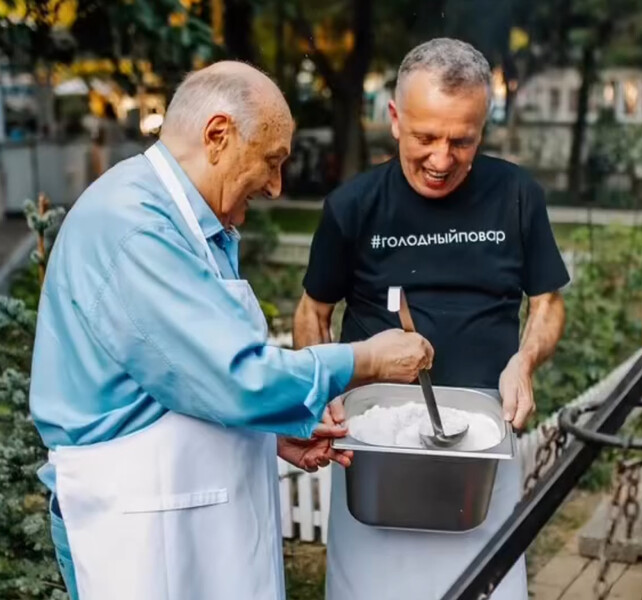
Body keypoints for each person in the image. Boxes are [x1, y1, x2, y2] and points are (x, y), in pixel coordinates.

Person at [29, 61, 433, 600]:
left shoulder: (192, 226)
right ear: (217, 136)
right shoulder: (134, 227)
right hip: (132, 529)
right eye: (272, 161)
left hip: (176, 516)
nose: (275, 185)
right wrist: (367, 360)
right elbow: (233, 376)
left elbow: (183, 378)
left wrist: (270, 430)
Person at [293, 38, 570, 600]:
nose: (442, 160)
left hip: (483, 442)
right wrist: (325, 389)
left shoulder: (517, 195)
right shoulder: (353, 205)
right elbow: (312, 313)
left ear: (482, 129)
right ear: (394, 119)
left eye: (461, 141)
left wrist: (525, 360)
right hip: (377, 445)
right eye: (425, 138)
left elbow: (547, 303)